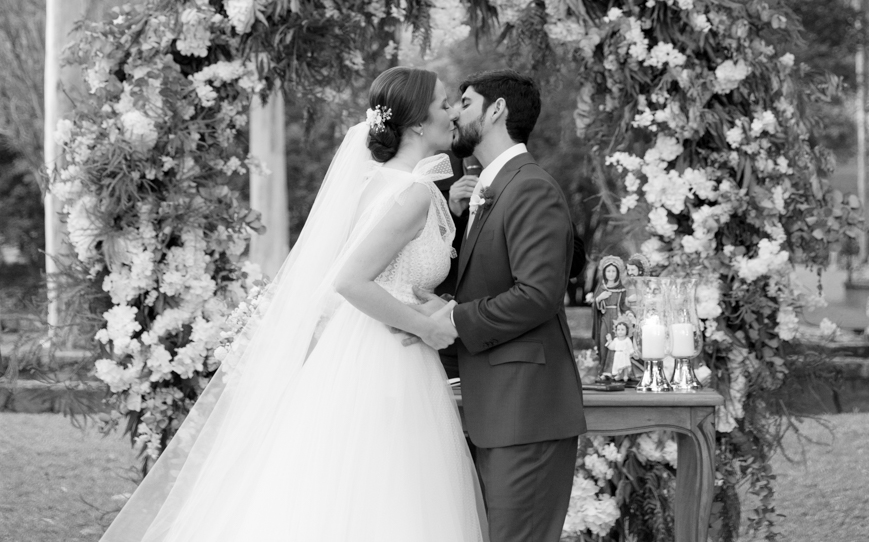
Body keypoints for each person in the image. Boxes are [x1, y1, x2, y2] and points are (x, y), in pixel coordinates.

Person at [96, 67, 487, 542]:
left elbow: (390, 277)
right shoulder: (410, 193)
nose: (453, 114)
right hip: (386, 362)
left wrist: (425, 307)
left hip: (371, 348)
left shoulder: (386, 182)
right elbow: (350, 280)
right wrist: (426, 326)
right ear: (418, 125)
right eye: (445, 104)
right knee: (389, 494)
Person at [427, 69, 586, 542]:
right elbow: (484, 283)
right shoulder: (489, 188)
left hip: (526, 413)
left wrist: (452, 320)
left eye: (466, 102)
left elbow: (537, 295)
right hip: (495, 409)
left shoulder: (530, 186)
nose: (454, 112)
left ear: (498, 110)